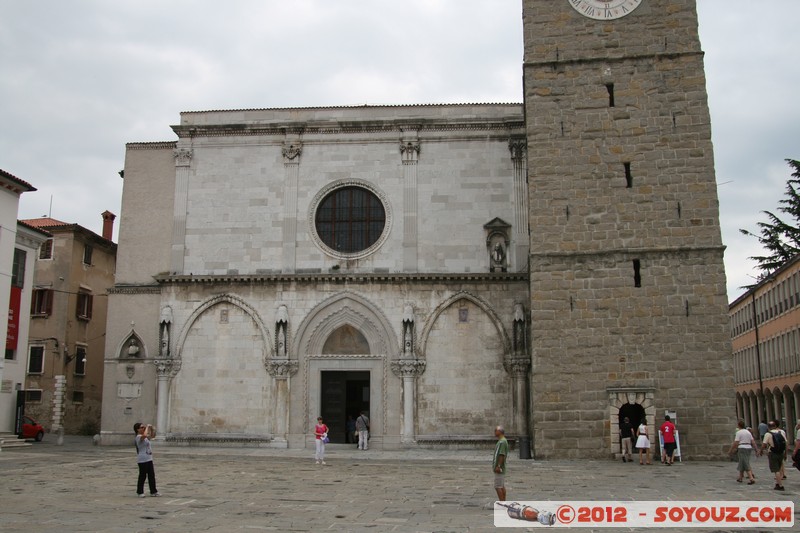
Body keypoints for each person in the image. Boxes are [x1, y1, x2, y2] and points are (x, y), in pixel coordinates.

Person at [133, 422, 160, 497]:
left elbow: (152, 436)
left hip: (149, 458)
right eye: (142, 427)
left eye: (143, 427)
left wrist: (151, 429)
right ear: (137, 429)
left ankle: (153, 491)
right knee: (142, 476)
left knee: (151, 475)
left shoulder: (145, 438)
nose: (143, 428)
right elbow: (144, 435)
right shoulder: (138, 437)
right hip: (142, 459)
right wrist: (147, 427)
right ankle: (140, 491)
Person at [761, 420, 786, 490]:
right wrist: (785, 453)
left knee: (776, 470)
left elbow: (764, 444)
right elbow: (786, 443)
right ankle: (777, 483)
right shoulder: (781, 432)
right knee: (779, 467)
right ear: (775, 426)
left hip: (773, 453)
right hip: (781, 452)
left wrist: (760, 451)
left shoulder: (768, 434)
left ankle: (780, 485)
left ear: (768, 427)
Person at [729, 420, 757, 484]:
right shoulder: (748, 432)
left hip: (742, 448)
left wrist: (731, 450)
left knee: (745, 462)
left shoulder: (739, 432)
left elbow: (736, 442)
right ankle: (740, 477)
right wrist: (756, 449)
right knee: (742, 462)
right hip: (748, 447)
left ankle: (751, 478)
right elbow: (753, 441)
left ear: (738, 425)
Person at [493, 425, 508, 501]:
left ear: (499, 432)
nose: (494, 432)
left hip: (500, 468)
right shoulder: (502, 441)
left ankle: (502, 503)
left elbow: (501, 454)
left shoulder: (502, 442)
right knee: (501, 485)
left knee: (498, 486)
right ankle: (503, 502)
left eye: (496, 430)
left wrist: (498, 466)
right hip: (500, 467)